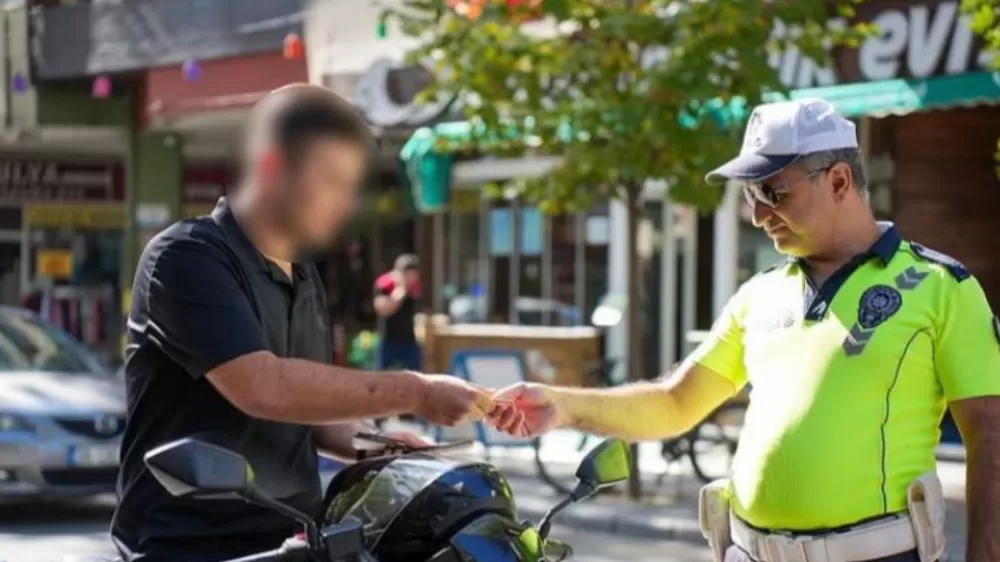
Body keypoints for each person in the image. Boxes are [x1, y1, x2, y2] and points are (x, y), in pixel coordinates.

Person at [488, 98, 1000, 562]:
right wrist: (563, 405)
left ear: (839, 181)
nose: (757, 215)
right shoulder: (759, 293)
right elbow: (674, 404)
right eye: (749, 195)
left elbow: (990, 436)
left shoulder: (941, 287)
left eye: (771, 191)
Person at [113, 84, 496, 562]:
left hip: (296, 543)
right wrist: (416, 391)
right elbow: (264, 387)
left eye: (351, 185)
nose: (344, 202)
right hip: (187, 548)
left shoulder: (305, 277)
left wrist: (379, 447)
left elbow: (313, 415)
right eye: (331, 180)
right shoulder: (186, 256)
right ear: (272, 166)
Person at [373, 253, 423, 371]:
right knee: (383, 378)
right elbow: (382, 309)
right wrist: (399, 293)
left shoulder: (415, 287)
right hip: (388, 340)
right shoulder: (385, 284)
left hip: (409, 341)